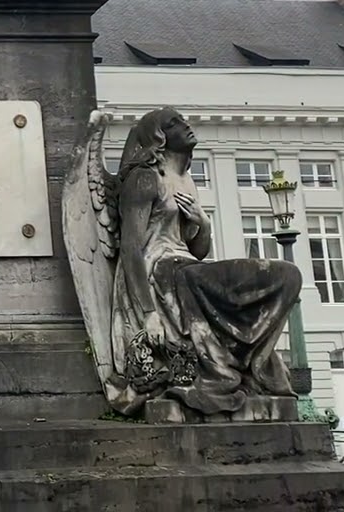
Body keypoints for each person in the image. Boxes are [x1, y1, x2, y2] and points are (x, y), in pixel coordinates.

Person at [108, 107, 302, 415]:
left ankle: (256, 364)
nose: (185, 125)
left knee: (287, 276)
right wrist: (148, 314)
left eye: (184, 119)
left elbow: (197, 249)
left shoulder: (186, 182)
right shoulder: (144, 178)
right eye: (174, 123)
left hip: (188, 267)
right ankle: (219, 372)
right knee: (205, 277)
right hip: (161, 271)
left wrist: (204, 223)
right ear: (158, 138)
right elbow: (131, 248)